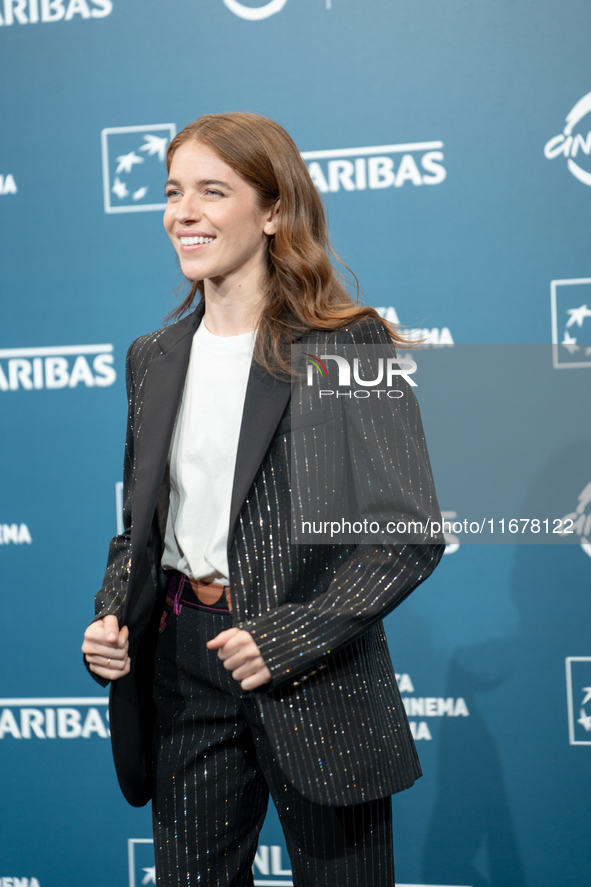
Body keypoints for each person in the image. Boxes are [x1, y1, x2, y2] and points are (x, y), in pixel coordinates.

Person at [82, 112, 444, 887]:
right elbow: (140, 531)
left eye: (213, 191)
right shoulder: (152, 357)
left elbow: (405, 536)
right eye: (174, 190)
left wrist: (285, 636)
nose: (185, 212)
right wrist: (112, 614)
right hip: (182, 666)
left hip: (313, 675)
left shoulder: (346, 344)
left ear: (273, 211)